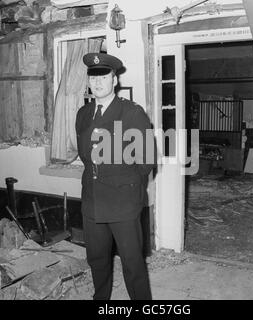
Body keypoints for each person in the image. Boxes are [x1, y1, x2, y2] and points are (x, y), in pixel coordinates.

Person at [75, 52, 155, 300]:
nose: (97, 83)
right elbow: (85, 155)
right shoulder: (83, 114)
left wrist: (129, 189)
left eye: (104, 76)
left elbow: (146, 162)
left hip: (123, 203)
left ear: (114, 80)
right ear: (88, 81)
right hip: (92, 201)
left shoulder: (131, 113)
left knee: (133, 264)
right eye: (93, 77)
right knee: (97, 260)